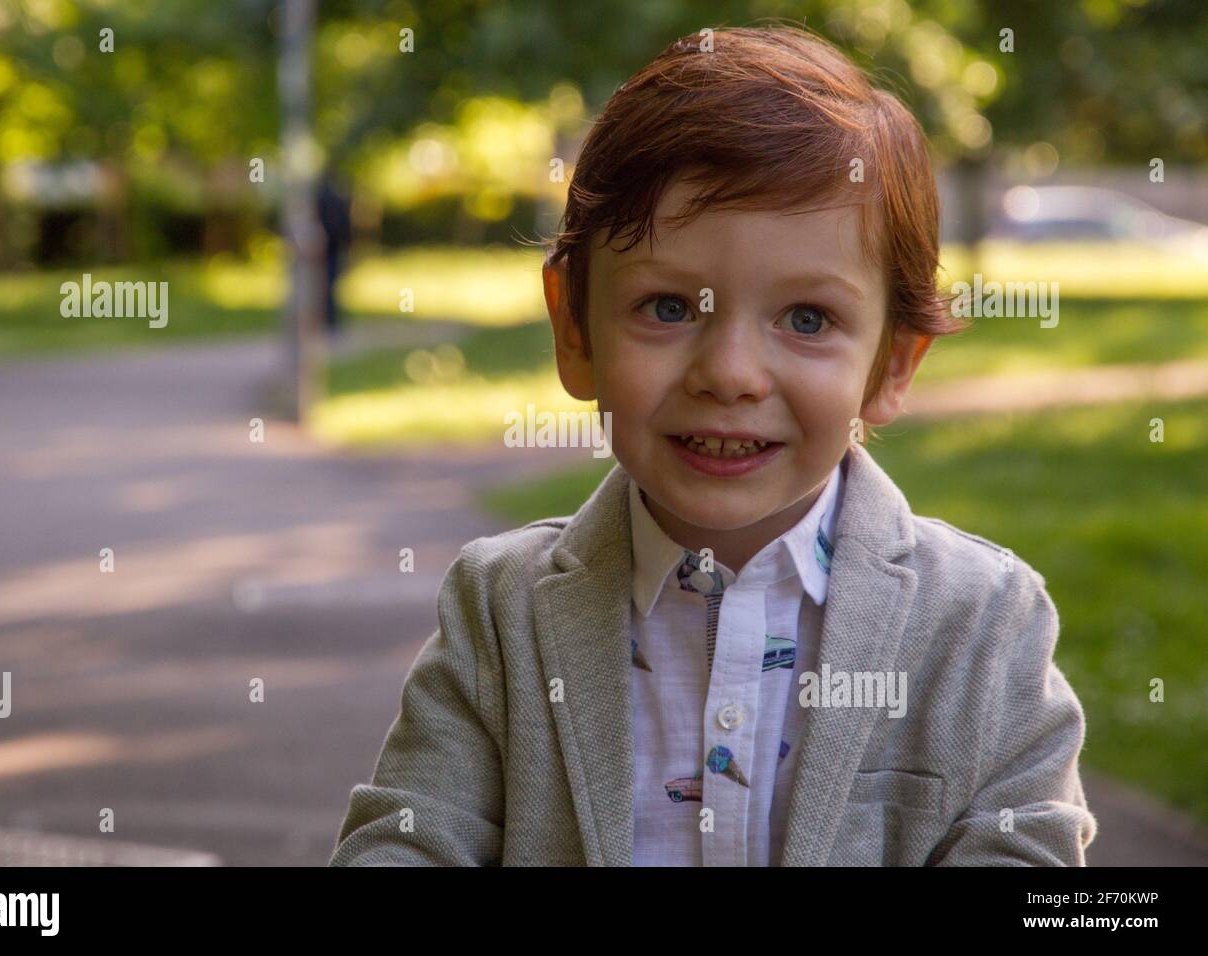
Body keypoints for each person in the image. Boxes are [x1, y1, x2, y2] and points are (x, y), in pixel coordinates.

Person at [329, 26, 1096, 866]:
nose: (730, 374)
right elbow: (406, 841)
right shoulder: (500, 615)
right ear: (573, 329)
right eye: (667, 308)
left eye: (807, 319)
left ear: (892, 364)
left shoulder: (983, 625)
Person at [316, 176, 352, 337]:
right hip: (333, 249)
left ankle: (326, 318)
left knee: (325, 285)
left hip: (322, 249)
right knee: (331, 284)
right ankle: (330, 319)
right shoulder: (338, 200)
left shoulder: (320, 200)